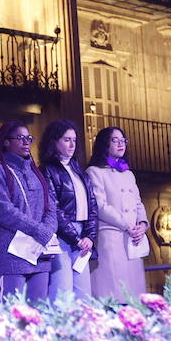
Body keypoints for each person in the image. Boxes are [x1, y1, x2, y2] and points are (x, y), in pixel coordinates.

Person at [0, 121, 57, 304]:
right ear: (6, 142)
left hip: (39, 252)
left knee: (38, 311)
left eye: (29, 138)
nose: (26, 142)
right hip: (13, 253)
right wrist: (38, 230)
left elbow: (50, 207)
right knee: (13, 311)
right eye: (20, 138)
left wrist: (47, 231)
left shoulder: (35, 172)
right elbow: (3, 209)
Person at [85, 126, 149, 301]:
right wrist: (127, 225)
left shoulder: (128, 174)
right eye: (115, 140)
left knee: (134, 294)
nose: (121, 144)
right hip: (111, 237)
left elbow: (138, 203)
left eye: (123, 140)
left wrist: (143, 224)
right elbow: (100, 205)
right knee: (113, 292)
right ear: (105, 143)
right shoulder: (94, 172)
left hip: (132, 238)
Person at [40, 120, 97, 300]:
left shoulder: (80, 171)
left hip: (83, 236)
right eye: (66, 140)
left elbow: (92, 205)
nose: (72, 145)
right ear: (54, 141)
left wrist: (89, 236)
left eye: (74, 140)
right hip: (61, 237)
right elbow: (54, 208)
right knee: (62, 292)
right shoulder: (47, 170)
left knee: (83, 294)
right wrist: (76, 238)